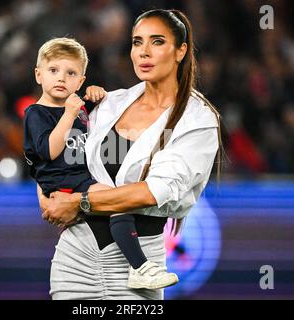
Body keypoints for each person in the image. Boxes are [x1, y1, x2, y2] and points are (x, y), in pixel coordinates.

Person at [39, 9, 223, 300]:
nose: (144, 52)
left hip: (137, 268)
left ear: (180, 51)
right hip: (74, 257)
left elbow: (152, 192)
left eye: (157, 42)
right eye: (137, 42)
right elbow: (57, 154)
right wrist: (48, 197)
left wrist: (78, 202)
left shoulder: (197, 118)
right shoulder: (110, 102)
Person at [23, 37, 179, 291]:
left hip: (82, 175)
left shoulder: (79, 107)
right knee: (118, 200)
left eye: (71, 73)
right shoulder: (36, 113)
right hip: (62, 179)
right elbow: (49, 150)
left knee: (115, 202)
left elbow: (97, 128)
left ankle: (135, 266)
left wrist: (98, 95)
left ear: (80, 81)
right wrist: (70, 114)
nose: (61, 78)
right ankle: (140, 267)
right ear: (39, 75)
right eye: (53, 71)